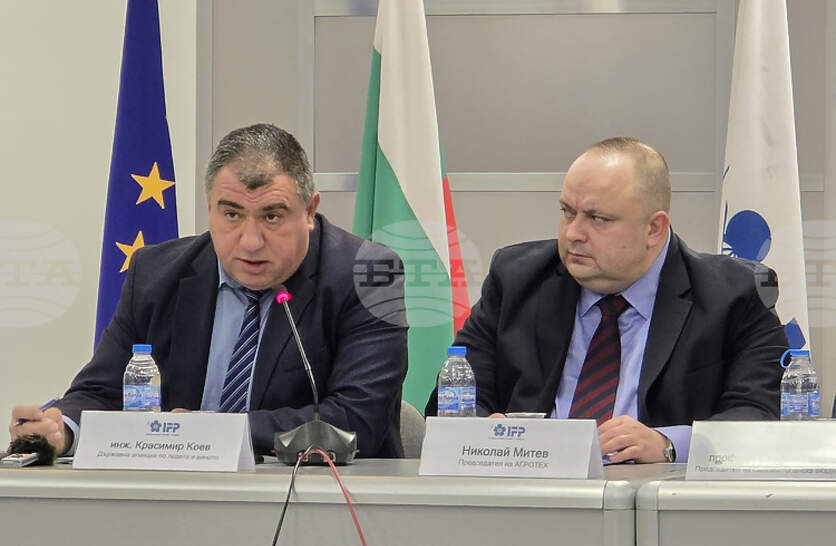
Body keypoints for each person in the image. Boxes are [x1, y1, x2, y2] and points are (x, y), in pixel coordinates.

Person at [10, 123, 408, 457]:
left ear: (309, 211)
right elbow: (101, 391)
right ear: (209, 207)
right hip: (179, 500)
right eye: (231, 214)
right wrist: (62, 428)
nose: (250, 241)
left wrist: (212, 431)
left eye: (272, 216)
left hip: (320, 501)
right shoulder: (156, 274)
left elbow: (357, 420)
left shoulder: (369, 275)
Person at [427, 137, 788, 463]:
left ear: (654, 228)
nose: (573, 233)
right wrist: (482, 431)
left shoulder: (733, 296)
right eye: (567, 212)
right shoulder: (517, 279)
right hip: (531, 492)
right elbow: (451, 399)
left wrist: (668, 444)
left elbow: (760, 417)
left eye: (597, 218)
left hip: (663, 500)